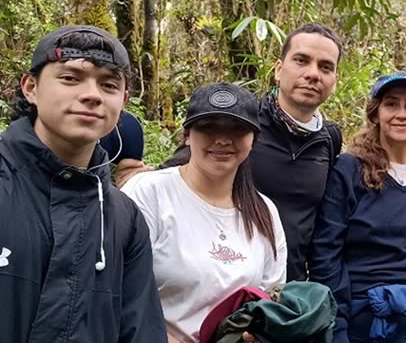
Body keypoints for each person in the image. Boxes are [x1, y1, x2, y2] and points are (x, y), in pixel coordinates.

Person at [117, 22, 343, 282]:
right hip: (214, 276)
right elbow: (183, 172)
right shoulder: (241, 125)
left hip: (281, 288)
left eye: (325, 67)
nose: (313, 74)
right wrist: (138, 184)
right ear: (278, 70)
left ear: (334, 80)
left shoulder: (328, 139)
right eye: (301, 61)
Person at [0, 25, 167, 342]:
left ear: (123, 101)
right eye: (70, 78)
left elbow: (141, 330)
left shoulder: (123, 218)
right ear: (30, 87)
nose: (91, 94)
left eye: (108, 84)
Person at [121, 82, 287, 343]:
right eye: (208, 127)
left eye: (237, 129)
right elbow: (118, 292)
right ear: (187, 135)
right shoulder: (149, 193)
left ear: (253, 139)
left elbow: (268, 300)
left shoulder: (264, 212)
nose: (222, 139)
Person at [310, 71, 406, 343]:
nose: (402, 113)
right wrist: (337, 328)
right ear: (375, 113)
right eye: (391, 104)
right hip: (359, 319)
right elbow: (326, 253)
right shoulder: (348, 170)